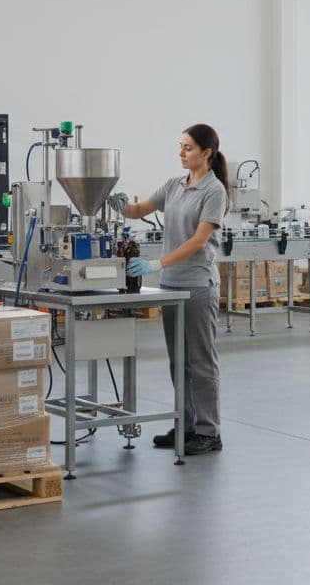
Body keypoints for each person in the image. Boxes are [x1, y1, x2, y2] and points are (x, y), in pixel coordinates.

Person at [121, 124, 229, 455]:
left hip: (197, 285)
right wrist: (114, 201)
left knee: (201, 361)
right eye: (180, 146)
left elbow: (199, 241)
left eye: (188, 148)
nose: (181, 153)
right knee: (178, 361)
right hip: (171, 285)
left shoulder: (214, 191)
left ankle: (209, 432)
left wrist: (156, 264)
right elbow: (138, 210)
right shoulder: (173, 185)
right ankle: (185, 424)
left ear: (206, 153)